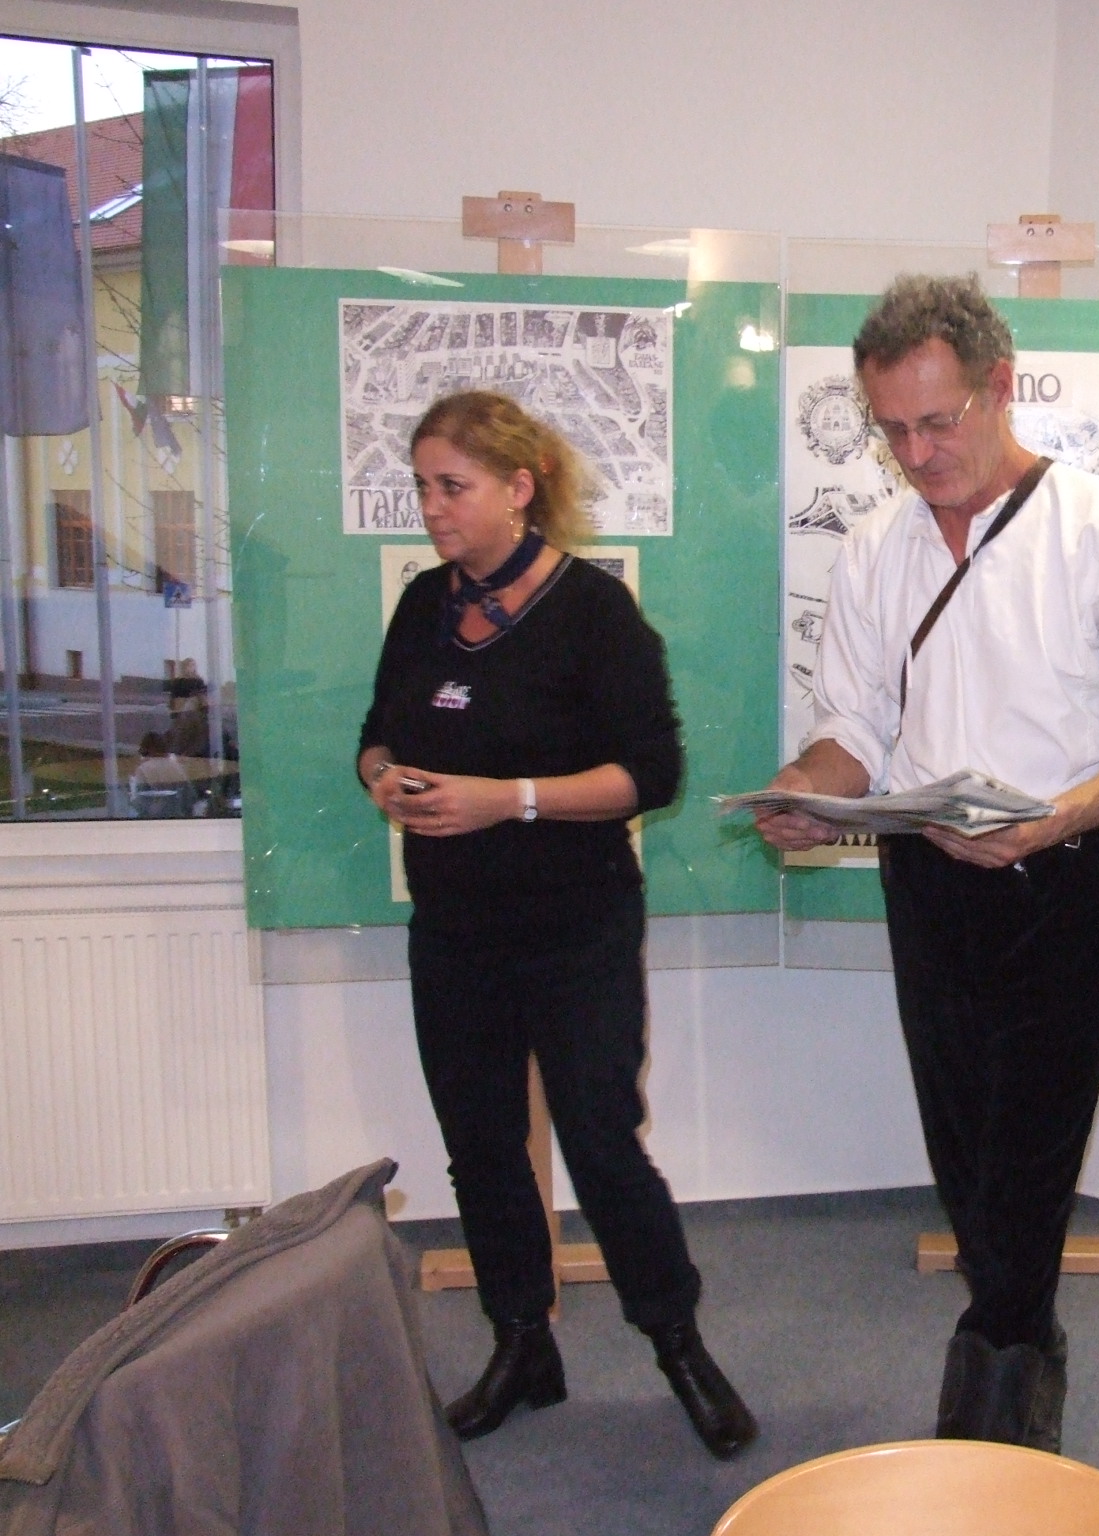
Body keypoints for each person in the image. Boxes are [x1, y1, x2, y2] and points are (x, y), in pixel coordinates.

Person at [750, 274, 1099, 1451]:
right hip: (926, 877)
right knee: (960, 1145)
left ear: (1000, 387)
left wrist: (1046, 822)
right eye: (891, 429)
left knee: (1032, 1148)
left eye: (936, 421)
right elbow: (852, 728)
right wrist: (808, 792)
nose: (915, 454)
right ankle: (1017, 1357)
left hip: (1064, 877)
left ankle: (995, 1387)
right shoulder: (873, 548)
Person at [356, 390, 755, 1458]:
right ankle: (522, 1345)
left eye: (453, 486)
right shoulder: (422, 606)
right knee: (480, 1146)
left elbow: (651, 776)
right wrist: (383, 776)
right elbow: (375, 735)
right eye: (422, 486)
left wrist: (508, 799)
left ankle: (677, 1344)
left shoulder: (595, 612)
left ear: (519, 488)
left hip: (576, 928)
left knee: (600, 1141)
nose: (432, 508)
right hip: (453, 932)